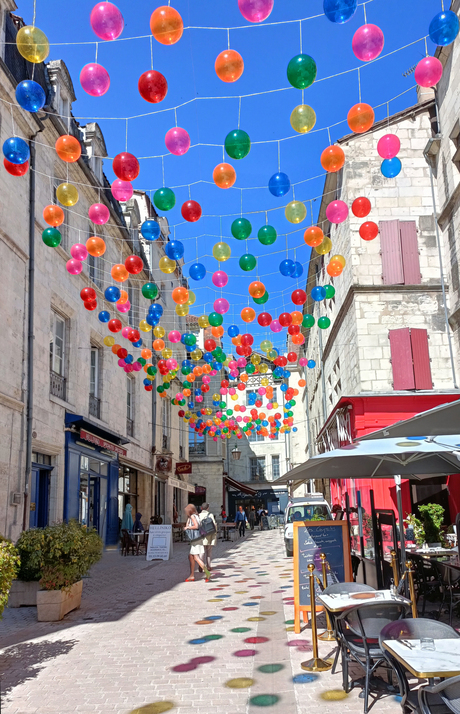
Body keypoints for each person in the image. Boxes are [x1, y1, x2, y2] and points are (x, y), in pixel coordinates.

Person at [183, 504, 210, 582]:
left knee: (196, 557)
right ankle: (192, 575)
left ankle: (206, 572)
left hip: (195, 539)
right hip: (198, 538)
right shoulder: (196, 516)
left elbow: (196, 526)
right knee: (191, 556)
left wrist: (188, 527)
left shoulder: (193, 516)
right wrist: (188, 520)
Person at [200, 503, 217, 570]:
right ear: (208, 508)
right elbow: (214, 525)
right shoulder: (210, 515)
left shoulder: (199, 515)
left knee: (201, 551)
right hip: (209, 535)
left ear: (201, 508)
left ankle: (201, 565)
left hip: (201, 535)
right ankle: (209, 566)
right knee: (209, 552)